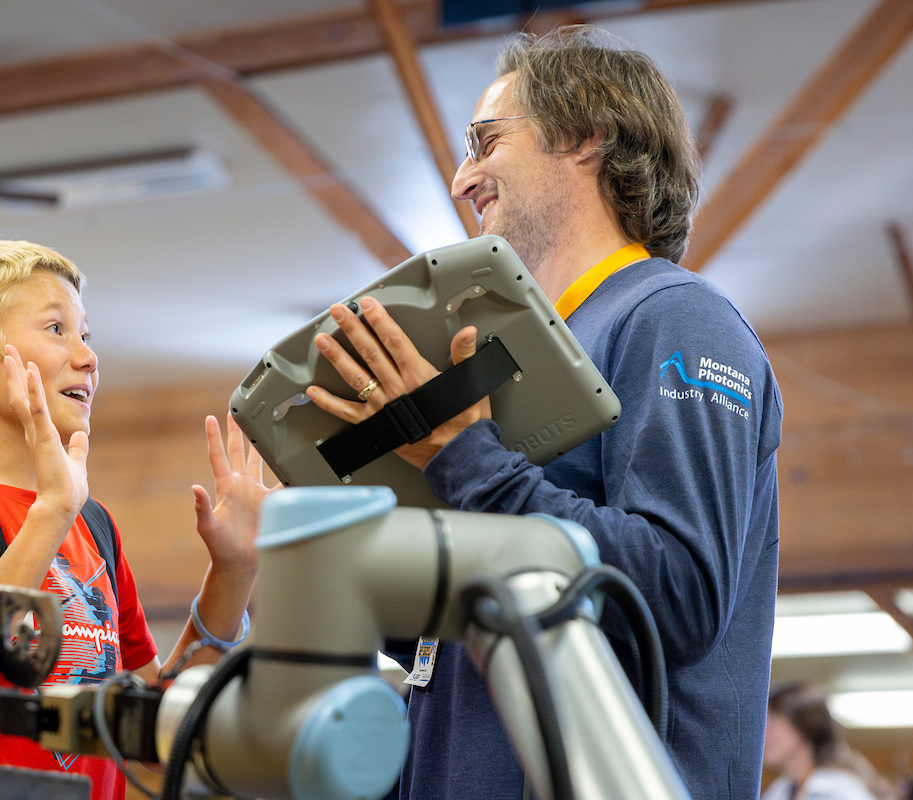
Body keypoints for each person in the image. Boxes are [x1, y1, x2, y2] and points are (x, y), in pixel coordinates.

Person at [306, 25, 783, 800]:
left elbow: (682, 593)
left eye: (486, 143)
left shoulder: (676, 318)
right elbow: (482, 635)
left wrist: (470, 459)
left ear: (588, 135)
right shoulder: (526, 355)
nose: (463, 179)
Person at [0, 240, 269, 799]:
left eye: (85, 335)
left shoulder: (94, 523)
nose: (88, 356)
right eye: (56, 329)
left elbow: (153, 723)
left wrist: (235, 570)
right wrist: (52, 512)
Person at [762, 683, 892, 800]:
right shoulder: (778, 792)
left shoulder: (843, 791)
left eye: (772, 721)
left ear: (802, 726)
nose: (764, 733)